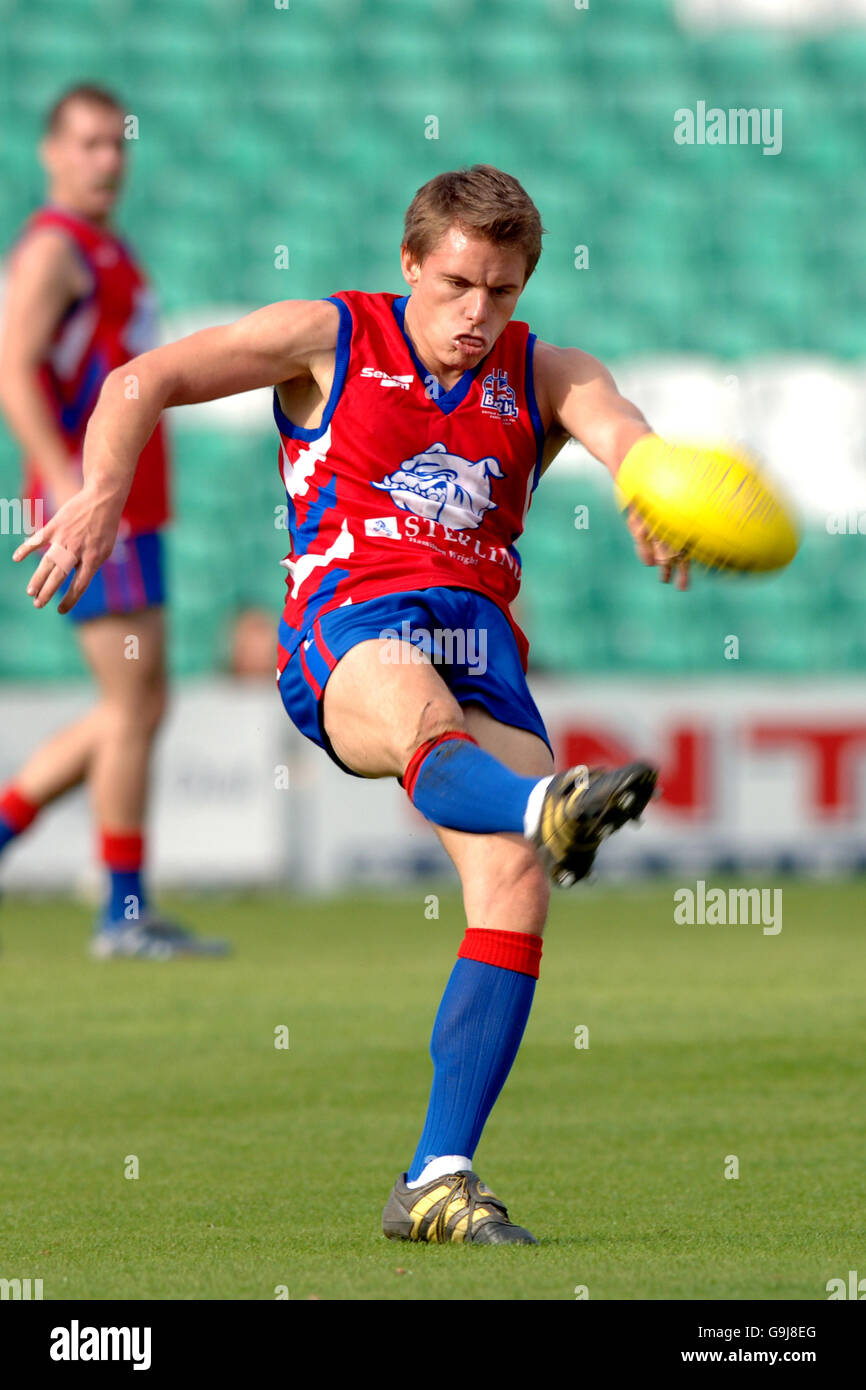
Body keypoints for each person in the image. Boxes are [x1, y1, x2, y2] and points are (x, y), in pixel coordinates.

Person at [15, 164, 689, 1240]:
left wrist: (651, 481)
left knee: (514, 882)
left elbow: (616, 421)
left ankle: (435, 1174)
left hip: (480, 639)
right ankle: (539, 807)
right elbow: (140, 380)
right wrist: (99, 491)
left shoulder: (542, 370)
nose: (478, 313)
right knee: (427, 724)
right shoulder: (328, 337)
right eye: (459, 282)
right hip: (351, 623)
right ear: (411, 262)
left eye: (503, 290)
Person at [0, 83, 228, 959]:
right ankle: (123, 915)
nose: (105, 160)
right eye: (87, 144)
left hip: (131, 499)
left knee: (135, 704)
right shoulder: (54, 248)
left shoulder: (105, 246)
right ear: (50, 153)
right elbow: (14, 370)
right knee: (133, 708)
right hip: (97, 504)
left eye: (115, 144)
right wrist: (65, 482)